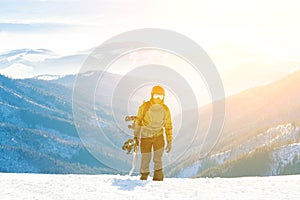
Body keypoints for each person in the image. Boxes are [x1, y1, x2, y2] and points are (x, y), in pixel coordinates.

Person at [133, 85, 173, 181]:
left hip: (158, 137)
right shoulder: (145, 106)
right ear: (151, 95)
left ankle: (158, 179)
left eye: (160, 96)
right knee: (145, 158)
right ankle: (144, 176)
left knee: (158, 159)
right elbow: (138, 121)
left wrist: (169, 141)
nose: (158, 98)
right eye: (156, 96)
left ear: (164, 97)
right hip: (145, 136)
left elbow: (168, 126)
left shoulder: (165, 109)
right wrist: (136, 137)